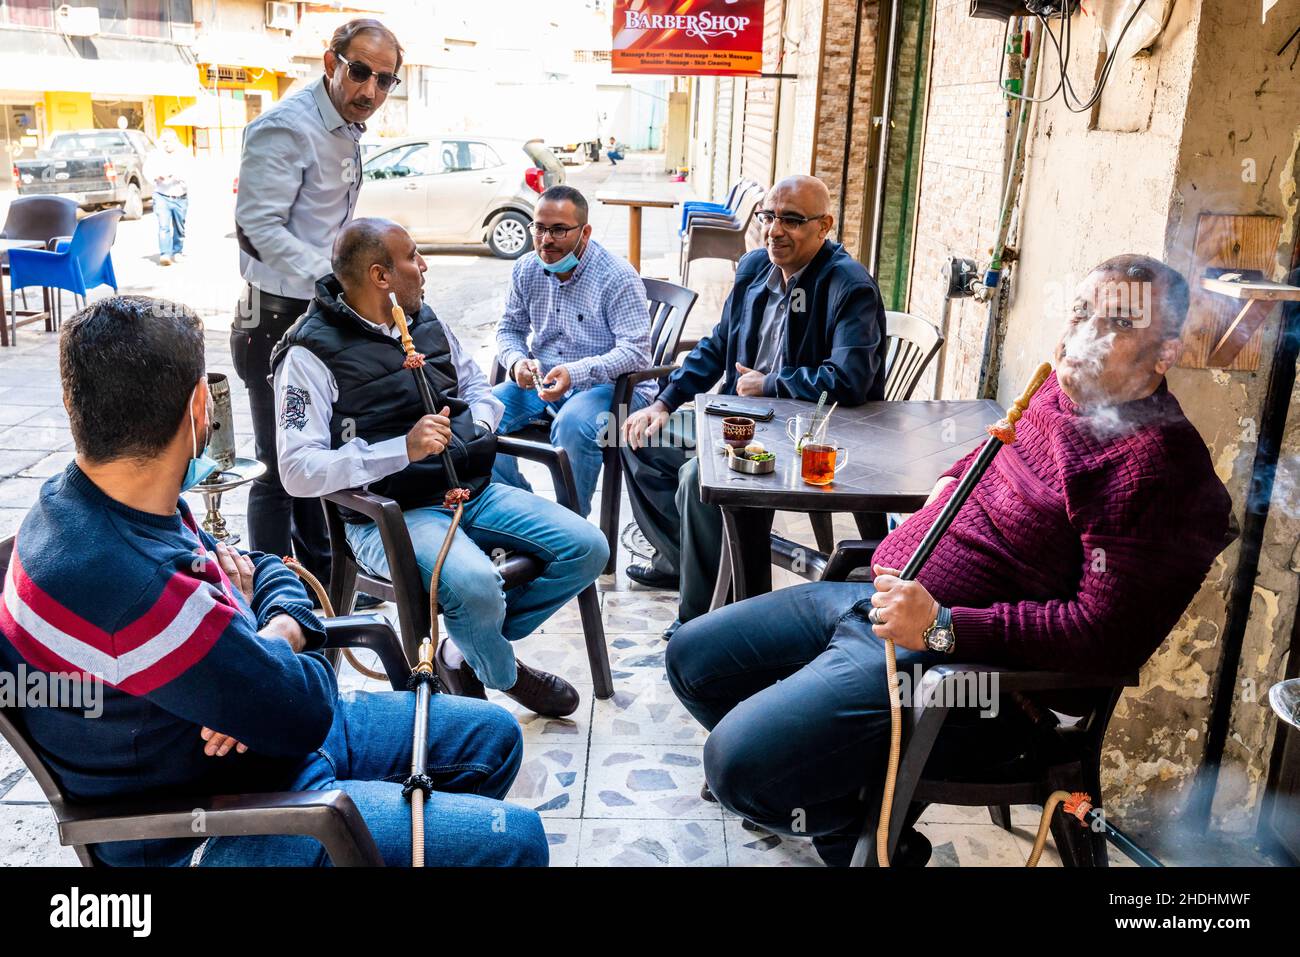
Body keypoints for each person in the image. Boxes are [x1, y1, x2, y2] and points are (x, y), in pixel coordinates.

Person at [665, 255, 1233, 867]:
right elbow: (984, 461)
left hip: (967, 683)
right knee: (690, 660)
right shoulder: (1057, 388)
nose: (1081, 335)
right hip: (882, 604)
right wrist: (945, 486)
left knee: (736, 764)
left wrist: (942, 626)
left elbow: (1107, 638)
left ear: (1166, 352)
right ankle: (856, 827)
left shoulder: (1158, 469)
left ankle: (864, 831)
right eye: (1078, 311)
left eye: (1117, 323)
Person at [0, 296, 547, 867]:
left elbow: (264, 566)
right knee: (516, 840)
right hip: (220, 820)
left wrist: (264, 642)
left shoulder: (86, 501)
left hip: (258, 747)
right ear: (197, 410)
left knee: (493, 737)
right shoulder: (135, 584)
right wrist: (276, 639)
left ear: (71, 402)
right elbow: (306, 703)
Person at [272, 218, 608, 719]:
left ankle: (464, 650)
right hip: (391, 513)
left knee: (588, 549)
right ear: (380, 275)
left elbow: (475, 386)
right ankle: (506, 674)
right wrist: (401, 450)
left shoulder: (423, 317)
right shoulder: (308, 351)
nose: (424, 266)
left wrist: (480, 425)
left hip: (470, 490)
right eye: (414, 256)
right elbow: (296, 470)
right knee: (475, 586)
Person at [622, 175, 888, 637]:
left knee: (695, 478)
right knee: (639, 436)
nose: (775, 230)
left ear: (824, 226)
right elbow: (717, 344)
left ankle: (702, 622)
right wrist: (665, 402)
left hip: (803, 433)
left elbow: (849, 380)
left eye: (792, 220)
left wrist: (772, 383)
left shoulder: (848, 286)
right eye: (768, 216)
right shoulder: (753, 270)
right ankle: (686, 563)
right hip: (738, 419)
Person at [232, 17, 402, 591]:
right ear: (330, 63)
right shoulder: (287, 127)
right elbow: (257, 227)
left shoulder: (345, 126)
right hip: (274, 317)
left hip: (313, 314)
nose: (371, 92)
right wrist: (337, 277)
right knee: (279, 469)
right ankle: (274, 599)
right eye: (361, 73)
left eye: (385, 81)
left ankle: (326, 586)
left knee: (319, 456)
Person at [493, 185, 653, 518]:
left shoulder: (616, 277)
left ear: (585, 232)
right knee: (482, 415)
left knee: (572, 427)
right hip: (544, 382)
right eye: (539, 227)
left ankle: (571, 531)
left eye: (558, 230)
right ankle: (524, 514)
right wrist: (516, 362)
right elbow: (509, 329)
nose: (545, 239)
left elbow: (635, 352)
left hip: (613, 389)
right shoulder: (526, 269)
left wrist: (577, 373)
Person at [144, 128, 188, 266]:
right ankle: (165, 254)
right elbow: (147, 171)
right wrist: (156, 177)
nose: (167, 143)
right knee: (164, 226)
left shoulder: (184, 155)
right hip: (161, 195)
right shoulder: (155, 155)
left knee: (179, 227)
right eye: (164, 141)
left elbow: (192, 173)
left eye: (170, 140)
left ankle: (177, 251)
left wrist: (178, 177)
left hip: (180, 196)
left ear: (176, 140)